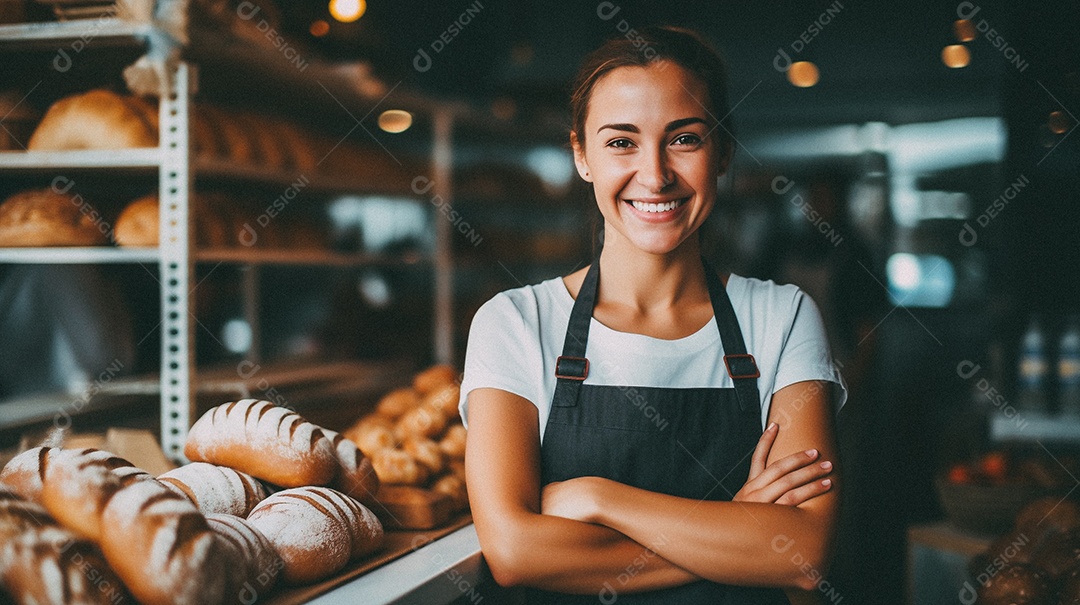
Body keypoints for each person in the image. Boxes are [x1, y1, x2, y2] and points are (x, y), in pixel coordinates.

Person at [458, 26, 846, 604]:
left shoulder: (782, 318)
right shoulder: (514, 323)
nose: (656, 174)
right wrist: (735, 528)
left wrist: (597, 497)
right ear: (581, 156)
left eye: (684, 138)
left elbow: (804, 550)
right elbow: (514, 553)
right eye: (621, 142)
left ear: (723, 153)